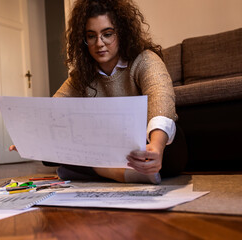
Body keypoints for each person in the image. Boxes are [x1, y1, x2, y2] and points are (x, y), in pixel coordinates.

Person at [11, 0, 188, 184]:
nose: (99, 43)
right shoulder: (83, 75)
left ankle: (94, 171)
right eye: (91, 36)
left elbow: (161, 99)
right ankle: (121, 174)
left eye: (107, 34)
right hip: (108, 146)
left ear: (122, 32)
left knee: (171, 151)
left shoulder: (145, 60)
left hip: (144, 144)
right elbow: (55, 108)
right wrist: (31, 136)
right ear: (84, 40)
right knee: (49, 153)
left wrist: (156, 147)